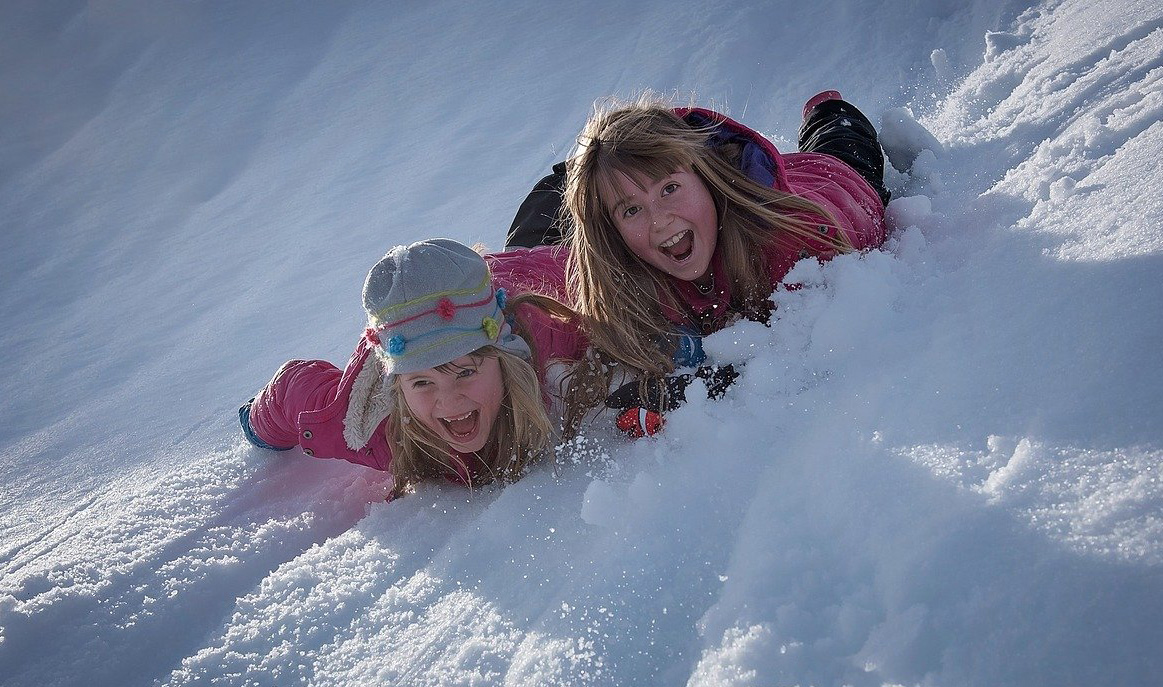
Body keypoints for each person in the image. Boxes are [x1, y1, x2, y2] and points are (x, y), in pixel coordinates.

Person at [540, 91, 890, 434]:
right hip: (772, 187)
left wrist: (707, 385)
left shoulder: (791, 243)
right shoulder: (628, 274)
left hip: (835, 181)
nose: (659, 221)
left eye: (669, 189)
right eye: (631, 210)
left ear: (705, 176)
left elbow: (802, 350)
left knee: (842, 140)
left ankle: (826, 109)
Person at [239, 238, 584, 497]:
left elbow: (595, 281)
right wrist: (257, 426)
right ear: (397, 386)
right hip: (434, 315)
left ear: (504, 359)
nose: (448, 402)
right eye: (421, 383)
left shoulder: (546, 333)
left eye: (465, 371)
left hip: (537, 266)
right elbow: (291, 390)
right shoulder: (368, 426)